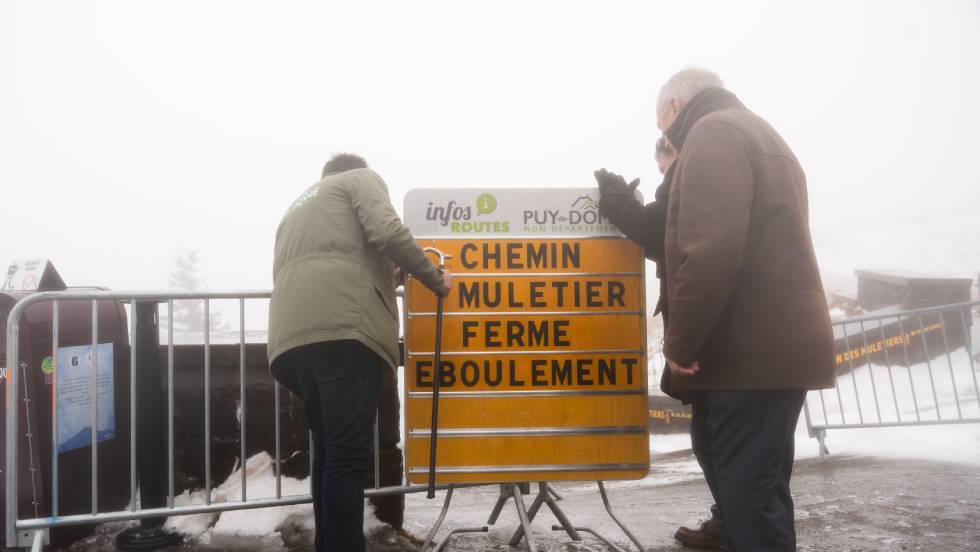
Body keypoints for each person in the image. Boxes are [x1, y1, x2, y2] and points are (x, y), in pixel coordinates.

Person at [596, 68, 835, 551]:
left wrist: (681, 341)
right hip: (771, 347)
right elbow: (690, 236)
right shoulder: (757, 131)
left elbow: (710, 248)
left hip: (749, 352)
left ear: (675, 106)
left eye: (661, 122)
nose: (664, 133)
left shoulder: (713, 134)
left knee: (749, 492)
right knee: (750, 478)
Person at [268, 153, 452, 552]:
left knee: (329, 453)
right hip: (343, 333)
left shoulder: (298, 207)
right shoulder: (359, 178)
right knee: (349, 457)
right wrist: (433, 278)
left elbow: (337, 259)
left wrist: (389, 275)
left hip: (293, 341)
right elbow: (387, 231)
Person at [598, 135, 726, 550]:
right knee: (723, 443)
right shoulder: (713, 183)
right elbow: (664, 242)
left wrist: (614, 191)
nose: (662, 173)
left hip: (716, 347)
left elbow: (650, 229)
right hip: (731, 345)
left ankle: (735, 525)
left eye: (663, 163)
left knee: (720, 443)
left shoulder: (687, 179)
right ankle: (729, 521)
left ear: (674, 153)